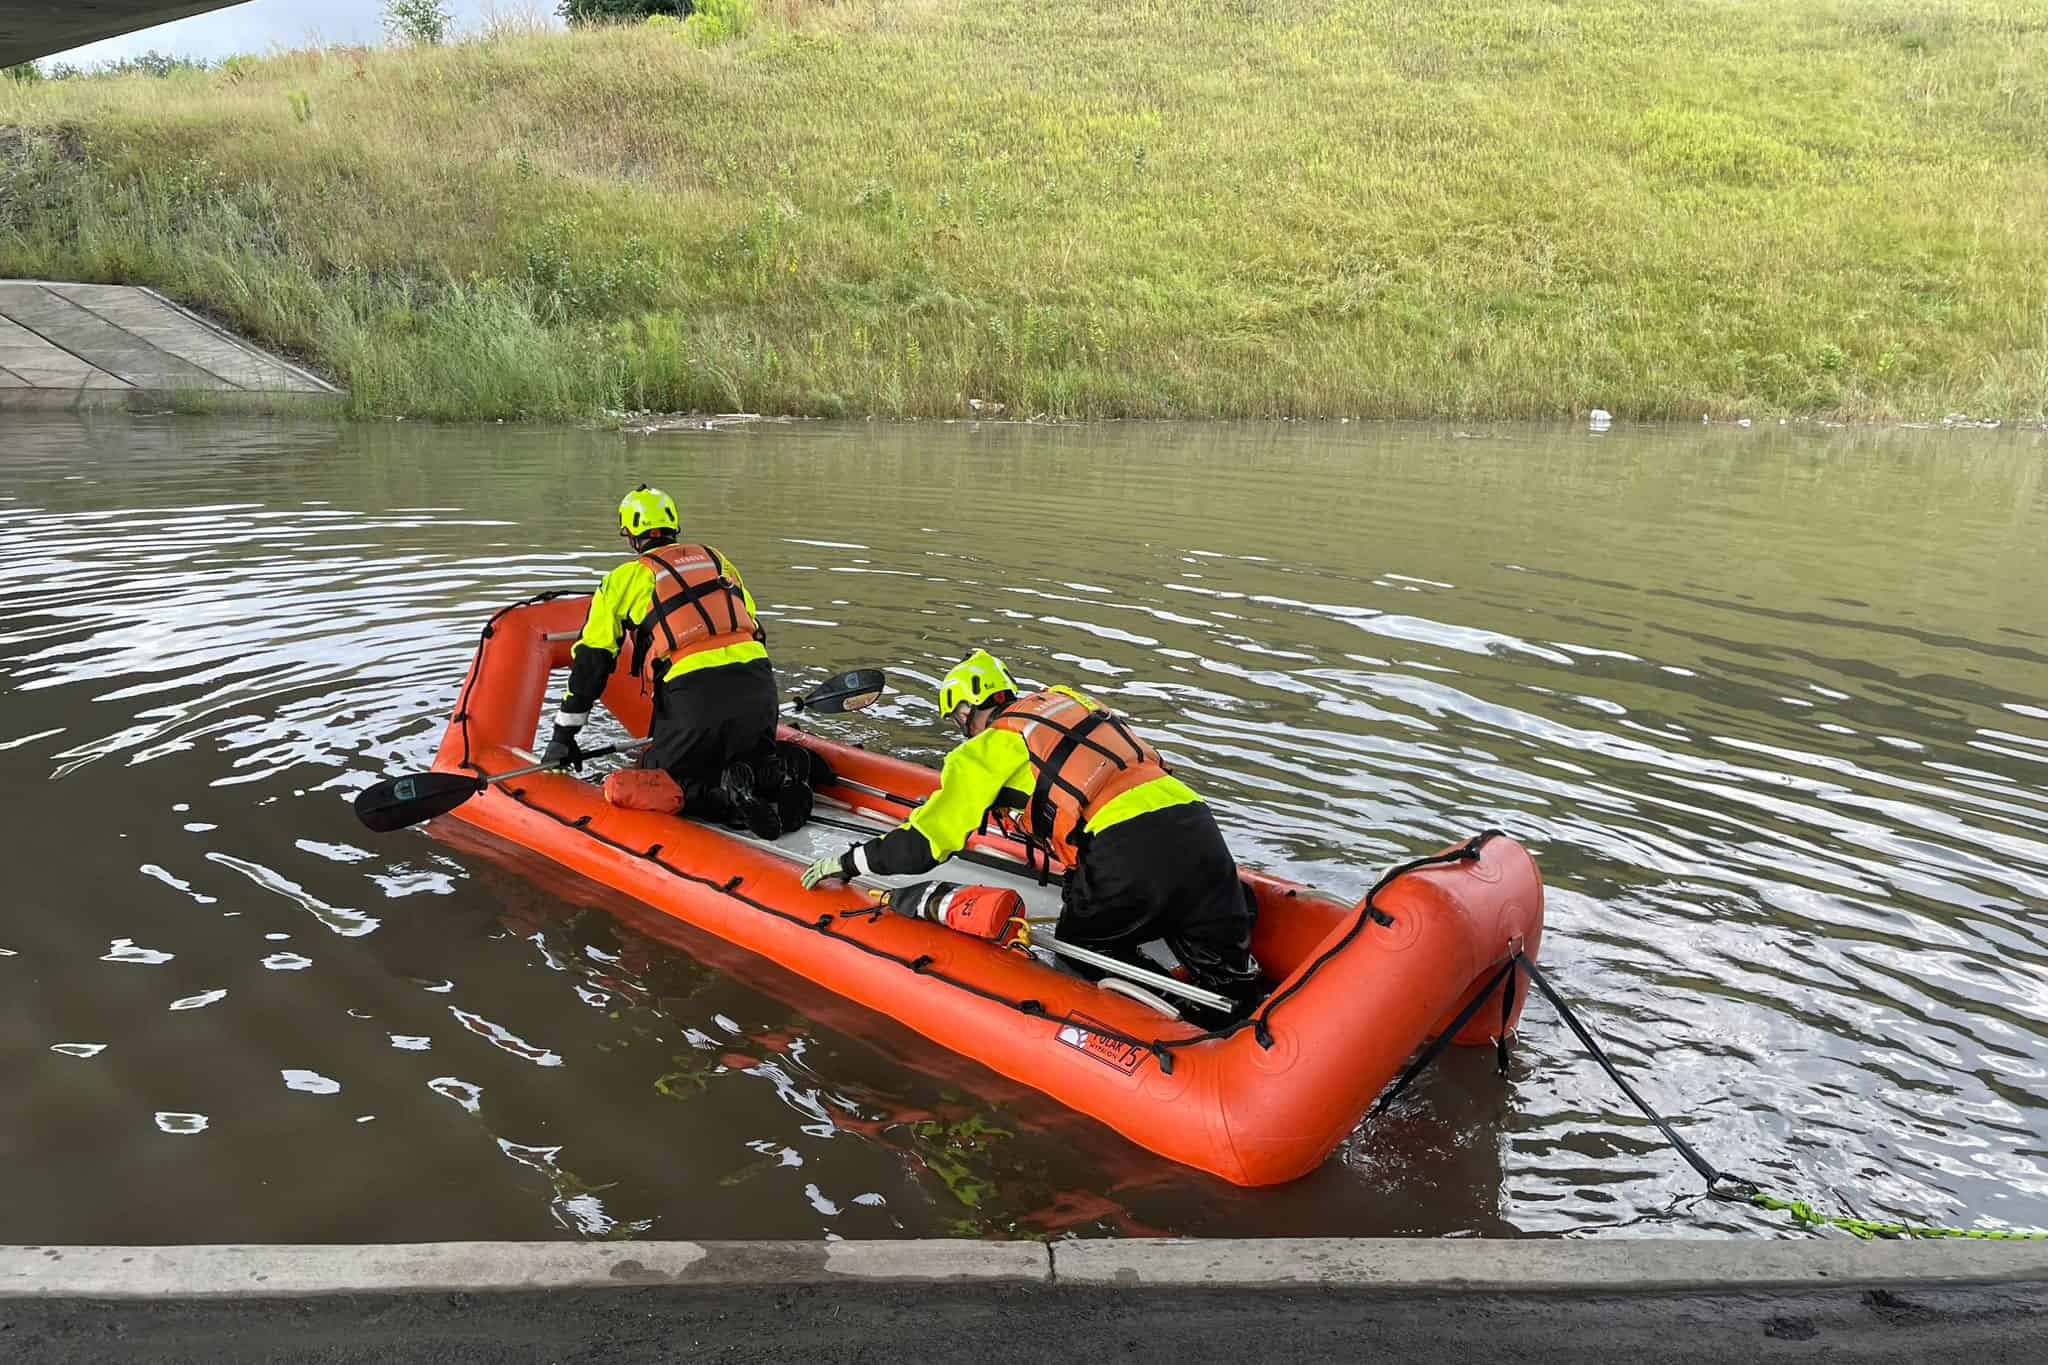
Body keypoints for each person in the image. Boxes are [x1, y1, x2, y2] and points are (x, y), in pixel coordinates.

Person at [800, 649, 1265, 1014]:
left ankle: (1170, 1022)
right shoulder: (1070, 702)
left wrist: (850, 862)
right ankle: (1239, 999)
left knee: (1082, 948)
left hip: (1126, 848)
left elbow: (924, 844)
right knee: (1225, 967)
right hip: (1195, 823)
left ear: (965, 713)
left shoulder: (983, 750)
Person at [541, 485, 812, 838]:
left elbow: (592, 663)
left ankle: (721, 798)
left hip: (693, 702)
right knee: (745, 752)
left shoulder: (624, 578)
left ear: (630, 536)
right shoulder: (718, 560)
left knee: (642, 781)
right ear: (674, 528)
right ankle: (777, 775)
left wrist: (563, 736)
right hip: (759, 689)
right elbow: (751, 625)